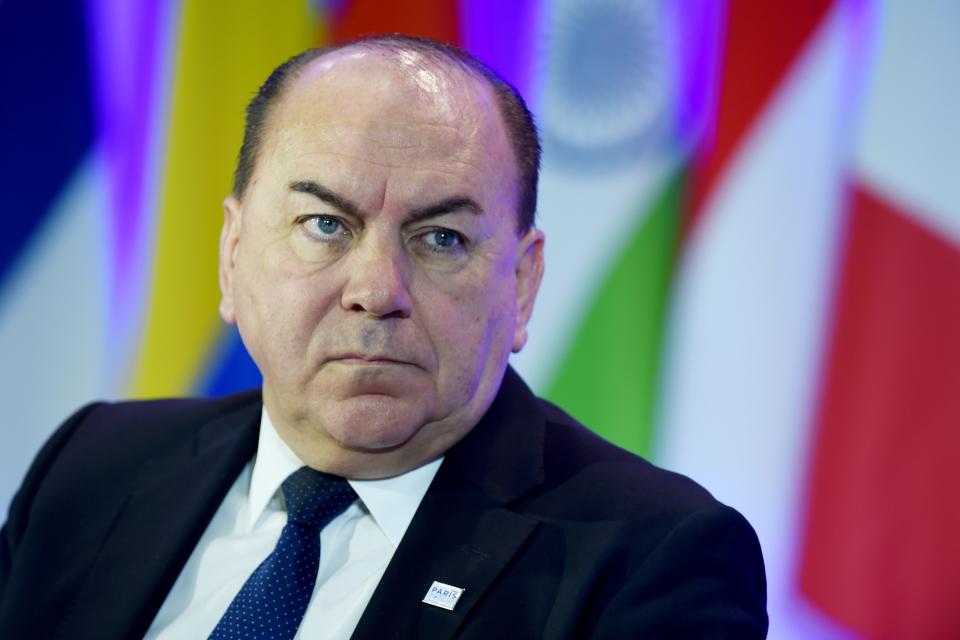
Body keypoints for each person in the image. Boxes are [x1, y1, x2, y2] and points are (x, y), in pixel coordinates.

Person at [0, 35, 767, 639]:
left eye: (440, 239)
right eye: (325, 225)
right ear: (233, 256)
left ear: (522, 284)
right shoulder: (93, 467)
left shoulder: (649, 560)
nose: (376, 291)